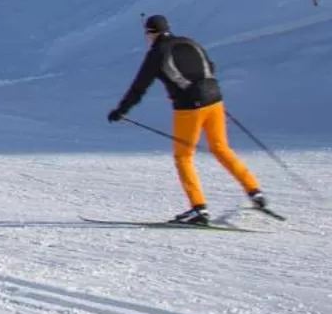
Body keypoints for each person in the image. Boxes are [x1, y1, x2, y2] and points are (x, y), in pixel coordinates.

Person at [108, 14, 269, 225]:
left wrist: (121, 110)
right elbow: (209, 67)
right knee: (221, 148)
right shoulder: (189, 41)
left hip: (188, 107)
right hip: (214, 99)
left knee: (183, 156)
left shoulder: (156, 53)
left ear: (150, 33)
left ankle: (198, 209)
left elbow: (139, 86)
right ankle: (254, 191)